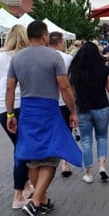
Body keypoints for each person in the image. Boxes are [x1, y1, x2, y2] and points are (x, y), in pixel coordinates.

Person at [6, 21, 82, 216]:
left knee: (33, 158)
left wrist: (10, 115)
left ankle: (40, 199)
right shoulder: (53, 56)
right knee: (50, 158)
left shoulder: (17, 58)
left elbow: (10, 89)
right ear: (44, 36)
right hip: (48, 110)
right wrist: (73, 111)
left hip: (27, 111)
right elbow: (64, 86)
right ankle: (35, 202)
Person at [0, 25, 34, 209]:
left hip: (1, 106)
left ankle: (26, 185)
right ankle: (18, 195)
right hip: (23, 103)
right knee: (22, 149)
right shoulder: (27, 56)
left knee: (19, 145)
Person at [68, 42, 109, 184]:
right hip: (101, 107)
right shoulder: (104, 69)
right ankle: (102, 166)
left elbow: (71, 91)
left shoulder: (75, 70)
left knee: (86, 140)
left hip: (83, 108)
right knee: (102, 137)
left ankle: (88, 173)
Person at [47, 31, 76, 177]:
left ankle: (47, 163)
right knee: (66, 131)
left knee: (49, 133)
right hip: (63, 101)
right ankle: (65, 163)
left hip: (47, 101)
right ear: (59, 42)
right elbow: (70, 83)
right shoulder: (68, 58)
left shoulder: (42, 57)